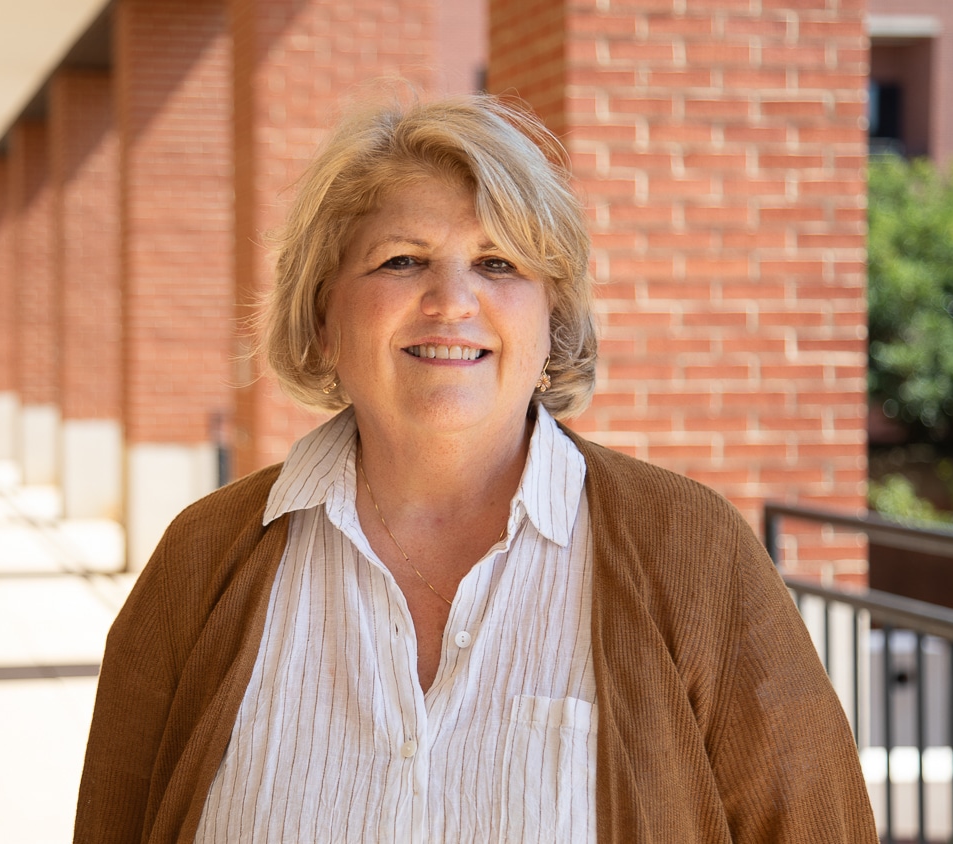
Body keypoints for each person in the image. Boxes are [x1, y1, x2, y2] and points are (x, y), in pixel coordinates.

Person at [75, 94, 877, 843]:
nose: (451, 301)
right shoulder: (203, 563)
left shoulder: (693, 557)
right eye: (401, 261)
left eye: (498, 264)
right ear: (322, 317)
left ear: (551, 318)